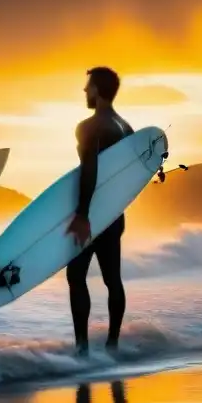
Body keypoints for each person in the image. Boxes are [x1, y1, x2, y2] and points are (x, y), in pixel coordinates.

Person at [65, 66, 134, 354]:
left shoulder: (90, 126)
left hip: (92, 214)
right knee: (112, 279)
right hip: (114, 215)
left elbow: (89, 170)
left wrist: (82, 215)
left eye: (88, 86)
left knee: (76, 276)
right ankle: (112, 345)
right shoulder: (126, 127)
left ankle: (81, 350)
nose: (84, 91)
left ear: (97, 89)